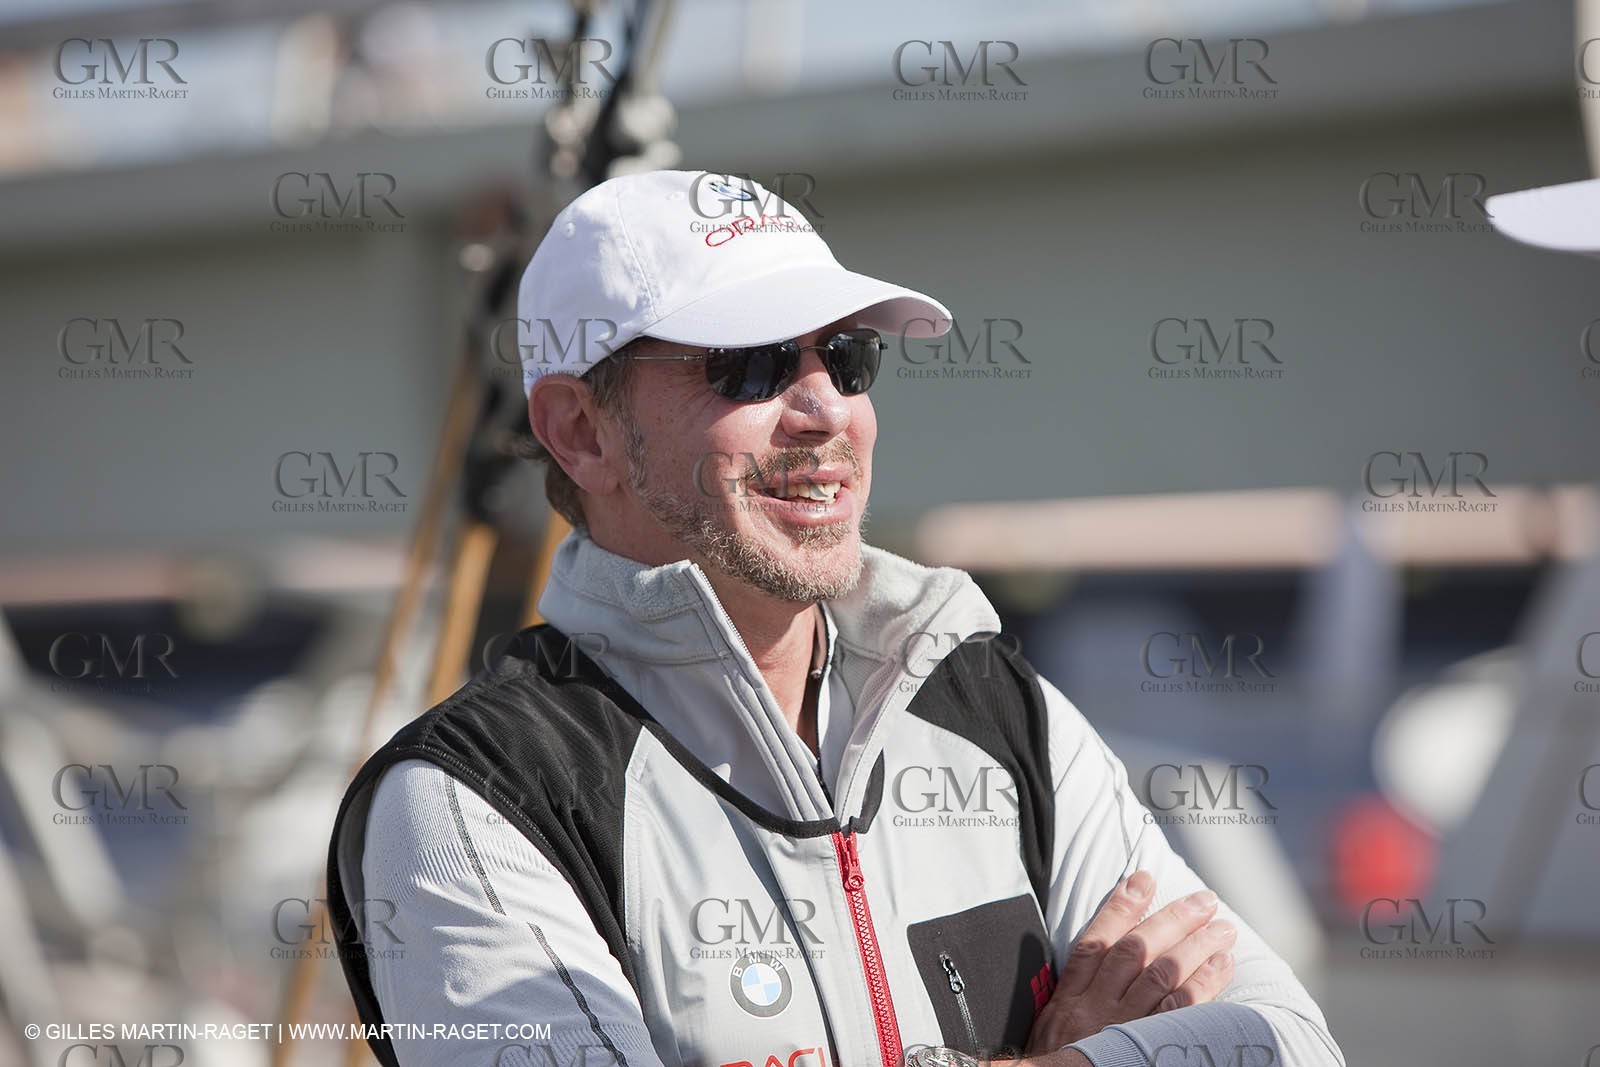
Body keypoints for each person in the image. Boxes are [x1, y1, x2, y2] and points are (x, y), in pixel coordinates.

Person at [327, 170, 1345, 1067]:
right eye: (751, 363)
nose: (826, 410)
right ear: (581, 432)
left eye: (848, 358)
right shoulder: (474, 801)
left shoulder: (996, 707)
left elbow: (1290, 1041)